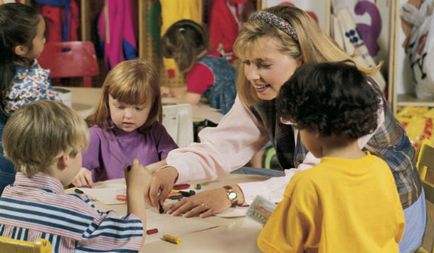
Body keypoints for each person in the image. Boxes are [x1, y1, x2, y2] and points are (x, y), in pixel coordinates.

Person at [147, 6, 425, 253]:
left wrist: (234, 196)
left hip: (378, 216)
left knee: (249, 223)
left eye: (263, 64)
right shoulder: (264, 92)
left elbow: (309, 183)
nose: (251, 75)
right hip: (354, 218)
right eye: (246, 63)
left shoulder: (350, 94)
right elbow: (225, 145)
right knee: (251, 202)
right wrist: (175, 168)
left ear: (301, 59)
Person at [257, 61, 405, 252]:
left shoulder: (308, 183)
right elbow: (396, 229)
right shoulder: (381, 169)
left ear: (315, 129)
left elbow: (275, 247)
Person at [0, 100, 150, 252]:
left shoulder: (5, 199)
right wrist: (135, 190)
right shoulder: (73, 211)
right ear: (65, 158)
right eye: (80, 151)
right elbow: (131, 238)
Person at [72, 59, 177, 187]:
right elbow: (75, 171)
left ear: (152, 105)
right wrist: (78, 174)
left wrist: (147, 170)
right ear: (107, 102)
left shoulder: (156, 131)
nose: (128, 116)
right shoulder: (96, 135)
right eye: (120, 107)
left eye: (138, 108)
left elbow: (178, 161)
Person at [0, 3, 61, 194]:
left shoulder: (12, 71)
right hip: (21, 170)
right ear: (21, 49)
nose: (44, 40)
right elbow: (47, 125)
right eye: (41, 36)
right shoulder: (30, 84)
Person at [160, 19, 237, 114]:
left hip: (227, 116)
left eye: (176, 58)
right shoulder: (214, 56)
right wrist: (171, 91)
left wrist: (171, 103)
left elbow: (190, 102)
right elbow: (192, 89)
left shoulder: (199, 69)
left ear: (183, 55)